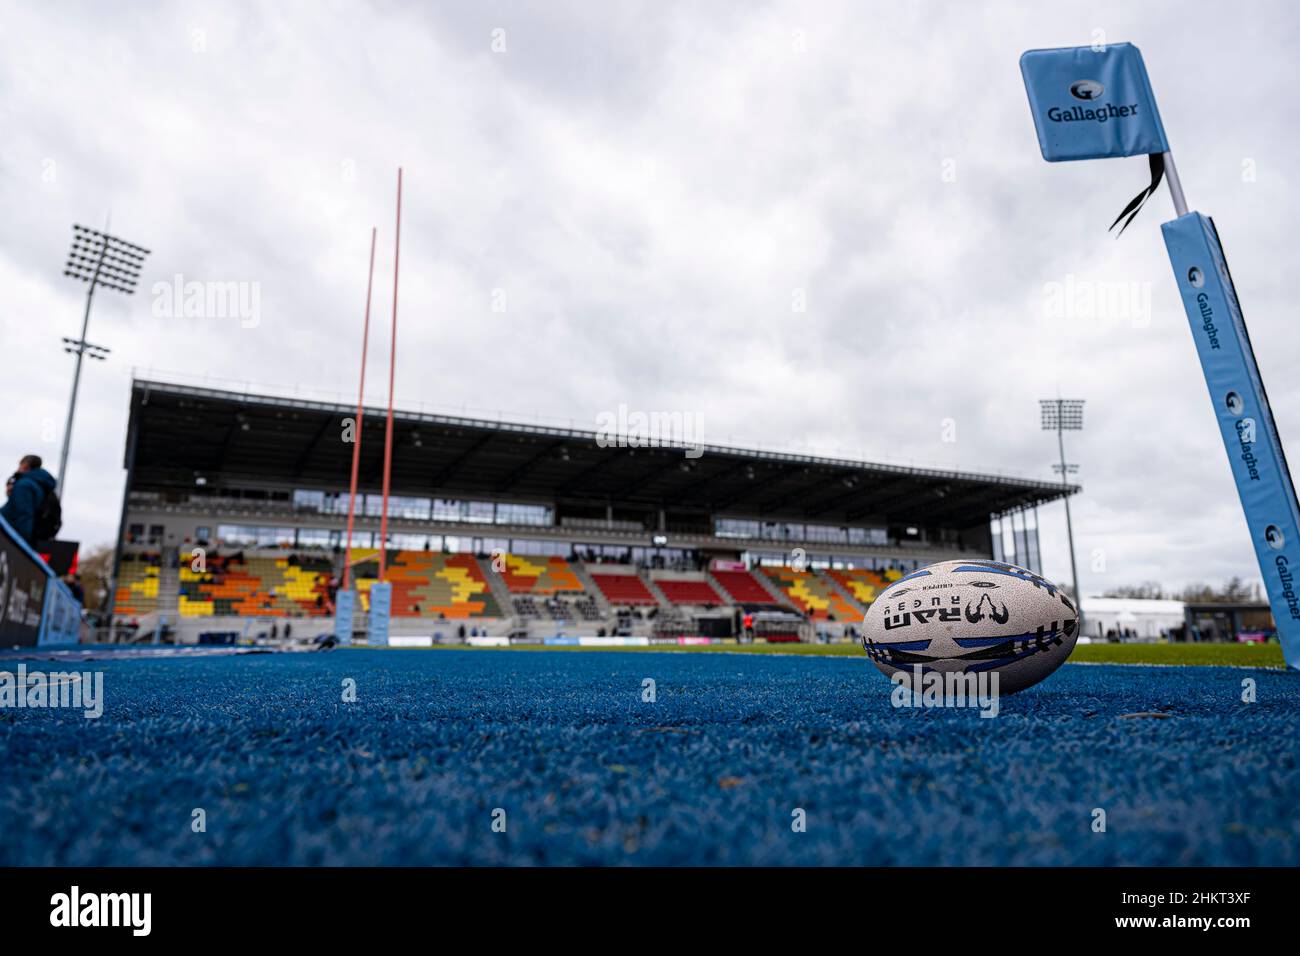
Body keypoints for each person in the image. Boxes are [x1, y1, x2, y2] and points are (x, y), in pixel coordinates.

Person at [1, 454, 58, 545]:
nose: (17, 470)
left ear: (25, 466)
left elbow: (24, 513)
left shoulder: (24, 485)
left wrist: (22, 542)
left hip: (10, 534)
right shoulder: (40, 485)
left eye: (20, 466)